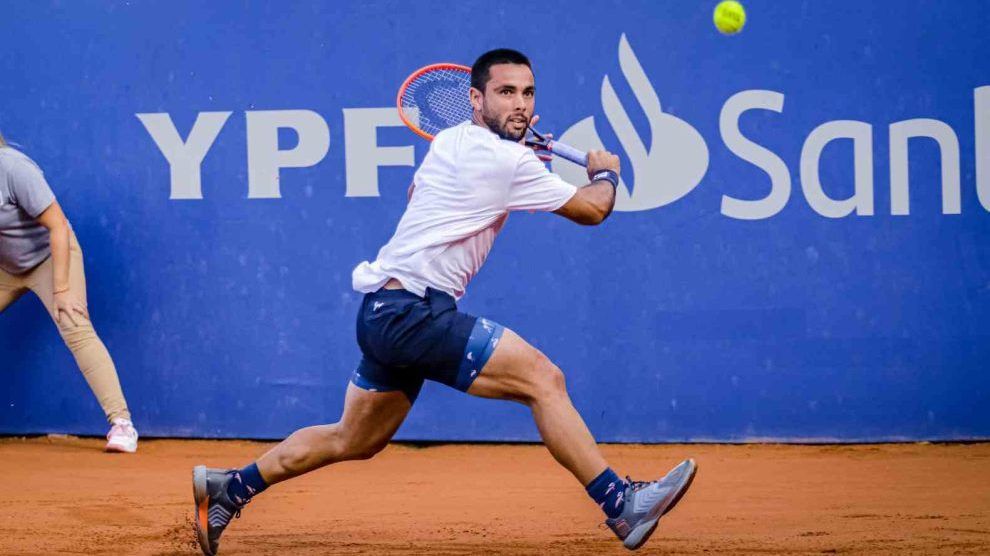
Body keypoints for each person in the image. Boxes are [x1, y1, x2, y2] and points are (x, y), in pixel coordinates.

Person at [192, 48, 695, 555]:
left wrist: (526, 154)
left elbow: (456, 190)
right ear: (475, 99)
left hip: (381, 313)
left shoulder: (456, 140)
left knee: (354, 439)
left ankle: (228, 489)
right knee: (544, 380)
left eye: (527, 93)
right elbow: (591, 210)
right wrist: (605, 173)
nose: (519, 104)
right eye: (505, 93)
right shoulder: (506, 159)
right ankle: (621, 503)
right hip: (415, 313)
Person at [0, 130, 139, 453]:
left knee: (74, 323)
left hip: (51, 257)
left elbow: (58, 226)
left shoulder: (14, 169)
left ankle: (122, 424)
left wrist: (62, 288)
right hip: (6, 266)